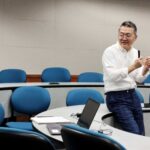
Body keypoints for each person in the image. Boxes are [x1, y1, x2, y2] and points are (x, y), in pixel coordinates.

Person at [102, 21, 150, 135]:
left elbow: (138, 79)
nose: (123, 38)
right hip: (116, 98)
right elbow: (112, 76)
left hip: (133, 95)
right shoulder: (110, 52)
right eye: (121, 34)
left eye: (128, 35)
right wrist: (133, 66)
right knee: (134, 133)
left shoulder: (135, 52)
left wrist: (146, 68)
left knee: (141, 134)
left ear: (135, 37)